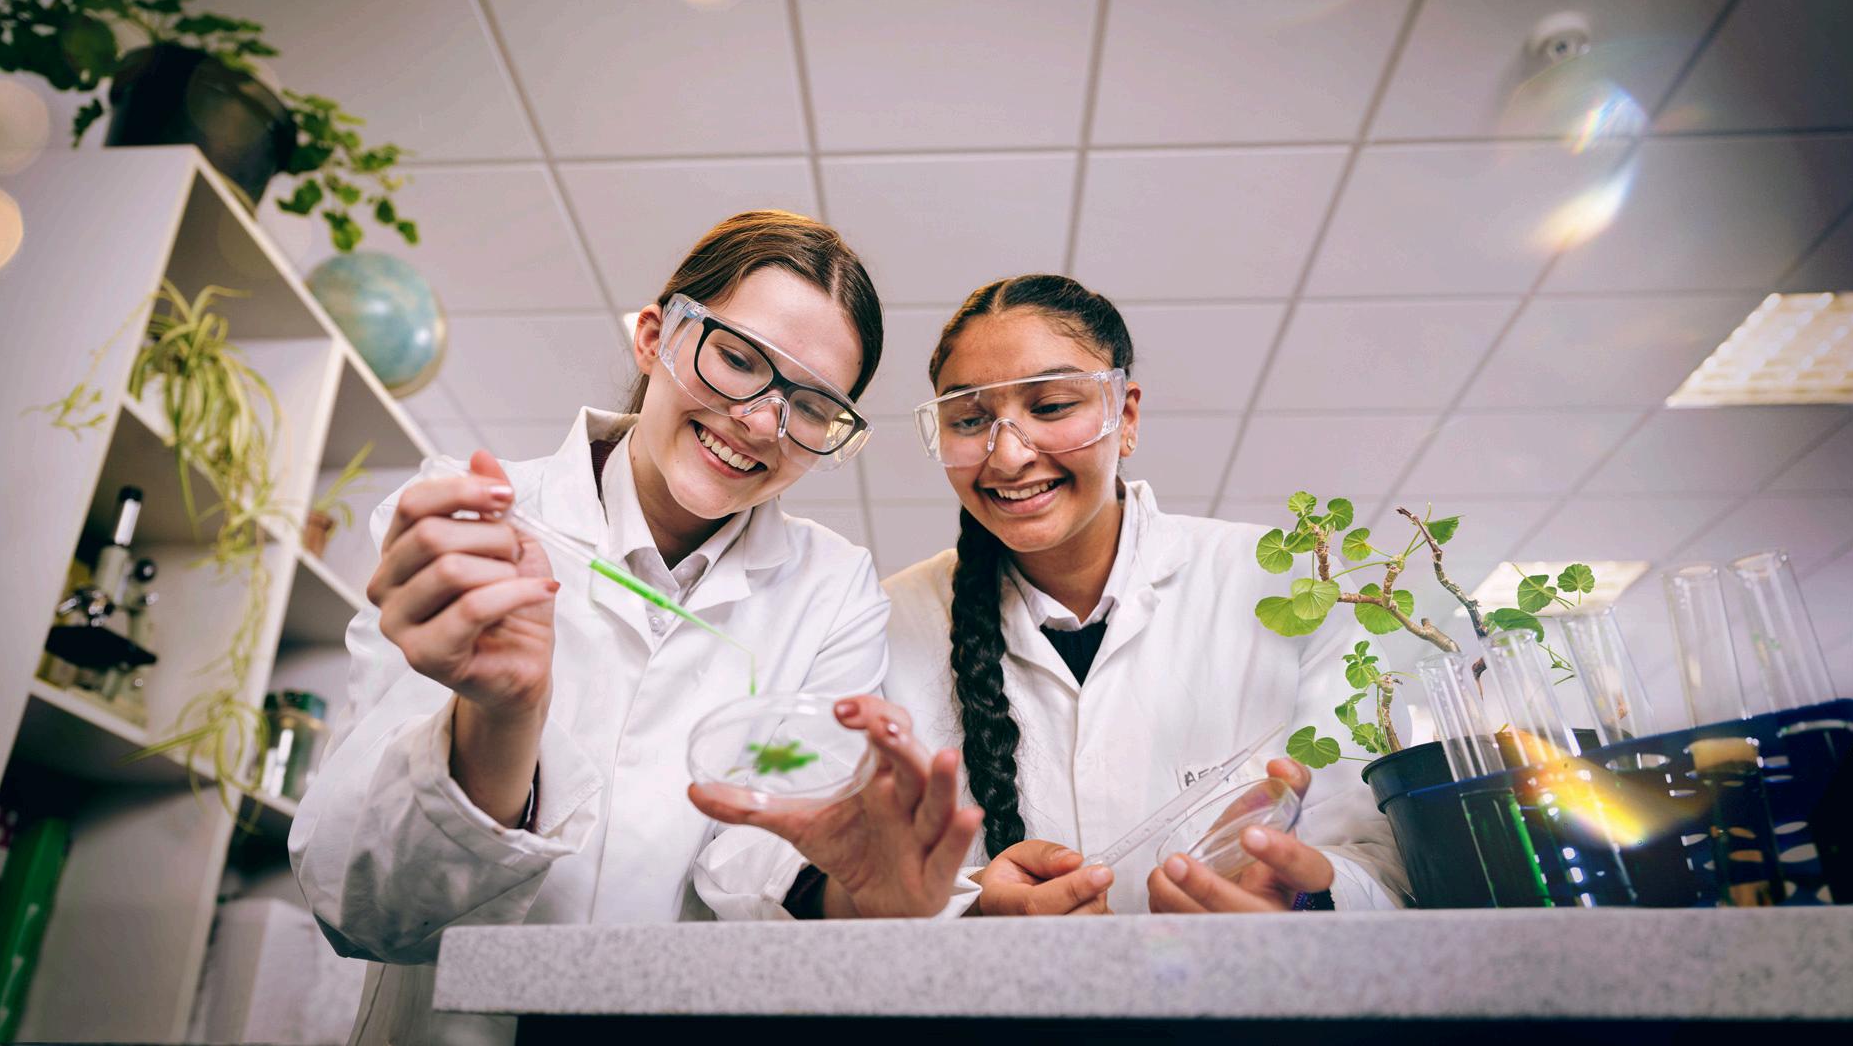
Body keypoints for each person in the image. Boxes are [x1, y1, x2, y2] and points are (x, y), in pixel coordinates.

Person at [291, 211, 971, 1045]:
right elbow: (361, 906)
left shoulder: (829, 592)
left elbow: (764, 849)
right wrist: (500, 719)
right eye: (737, 359)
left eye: (812, 405)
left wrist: (847, 891)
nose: (762, 422)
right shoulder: (473, 527)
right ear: (655, 337)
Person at [881, 274, 1406, 916]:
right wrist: (972, 909)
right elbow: (845, 882)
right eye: (969, 419)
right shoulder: (888, 623)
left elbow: (1386, 860)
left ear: (1125, 417)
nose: (1009, 456)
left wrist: (1306, 900)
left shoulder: (1288, 588)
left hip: (1256, 981)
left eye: (1051, 406)